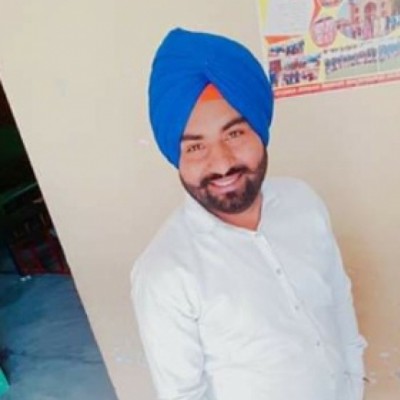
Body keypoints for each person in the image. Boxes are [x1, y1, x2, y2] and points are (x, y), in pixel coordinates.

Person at [131, 28, 366, 400]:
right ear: (177, 157)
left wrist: (354, 382)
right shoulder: (165, 272)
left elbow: (337, 298)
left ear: (259, 131)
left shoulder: (303, 203)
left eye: (234, 134)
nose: (222, 163)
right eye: (195, 147)